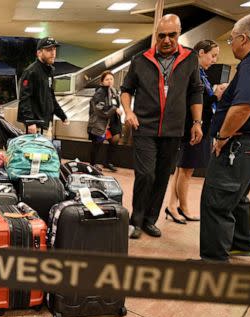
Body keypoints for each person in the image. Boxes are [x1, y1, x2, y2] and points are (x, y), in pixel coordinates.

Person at [199, 13, 250, 262]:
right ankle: (242, 243)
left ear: (243, 38)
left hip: (239, 143)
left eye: (231, 39)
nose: (231, 45)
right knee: (238, 194)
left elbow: (244, 105)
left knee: (216, 199)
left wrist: (223, 136)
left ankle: (213, 262)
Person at [120, 14, 203, 239]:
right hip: (145, 128)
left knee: (162, 176)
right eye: (162, 35)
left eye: (172, 35)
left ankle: (150, 220)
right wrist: (129, 112)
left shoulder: (190, 59)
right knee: (145, 174)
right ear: (156, 35)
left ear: (179, 33)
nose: (166, 40)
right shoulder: (140, 59)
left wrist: (197, 122)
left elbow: (196, 91)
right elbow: (126, 89)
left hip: (174, 130)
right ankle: (135, 221)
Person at [166, 40, 228, 224]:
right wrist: (215, 96)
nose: (214, 60)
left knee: (181, 169)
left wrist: (214, 93)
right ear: (201, 52)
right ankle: (183, 208)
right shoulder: (193, 74)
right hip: (194, 127)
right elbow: (194, 103)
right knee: (186, 170)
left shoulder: (200, 74)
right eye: (213, 55)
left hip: (197, 126)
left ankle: (171, 205)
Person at [17, 37, 68, 136]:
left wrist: (62, 116)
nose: (53, 53)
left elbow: (51, 97)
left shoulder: (49, 71)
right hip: (36, 125)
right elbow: (24, 98)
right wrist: (30, 122)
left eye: (54, 49)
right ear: (39, 53)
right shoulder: (31, 72)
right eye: (49, 50)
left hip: (46, 123)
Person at [87, 70, 122, 172]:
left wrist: (116, 109)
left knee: (115, 139)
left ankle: (107, 162)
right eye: (107, 79)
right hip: (100, 122)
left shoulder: (114, 91)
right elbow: (99, 109)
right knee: (97, 143)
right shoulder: (99, 93)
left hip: (112, 121)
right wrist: (114, 109)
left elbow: (115, 104)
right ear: (102, 82)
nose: (109, 81)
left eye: (111, 79)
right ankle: (93, 164)